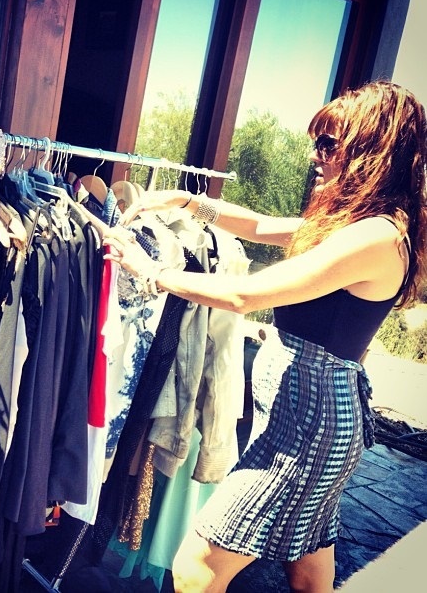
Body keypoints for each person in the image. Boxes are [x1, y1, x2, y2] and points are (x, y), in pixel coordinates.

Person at [102, 80, 427, 593]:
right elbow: (258, 225)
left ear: (370, 150)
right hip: (308, 419)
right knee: (309, 571)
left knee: (195, 569)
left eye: (328, 144)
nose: (315, 156)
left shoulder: (377, 236)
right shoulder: (355, 225)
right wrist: (189, 202)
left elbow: (244, 294)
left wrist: (153, 271)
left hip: (310, 428)